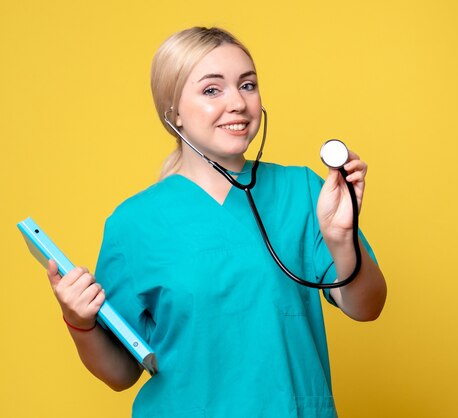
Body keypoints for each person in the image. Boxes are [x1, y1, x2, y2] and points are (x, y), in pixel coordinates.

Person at [46, 26, 387, 418]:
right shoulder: (133, 224)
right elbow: (122, 372)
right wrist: (80, 324)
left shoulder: (306, 192)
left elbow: (367, 307)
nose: (238, 103)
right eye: (212, 90)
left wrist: (343, 238)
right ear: (173, 111)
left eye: (247, 85)